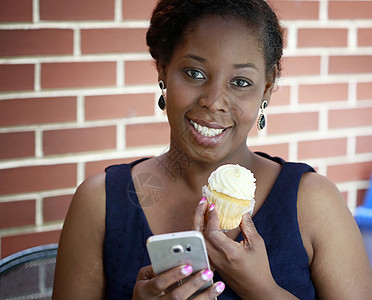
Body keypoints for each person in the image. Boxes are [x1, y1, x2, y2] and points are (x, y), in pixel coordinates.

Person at [52, 0, 372, 299]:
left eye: (241, 82)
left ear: (268, 86)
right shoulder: (100, 204)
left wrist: (261, 289)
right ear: (163, 69)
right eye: (194, 73)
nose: (214, 101)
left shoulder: (314, 203)